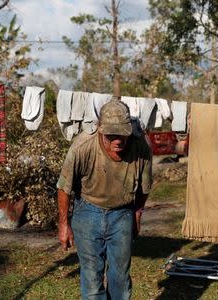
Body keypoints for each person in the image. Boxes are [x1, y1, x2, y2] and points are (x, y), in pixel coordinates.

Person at [57, 98, 152, 299]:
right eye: (111, 135)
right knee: (92, 280)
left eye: (122, 135)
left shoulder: (140, 146)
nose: (117, 140)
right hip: (88, 212)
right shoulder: (82, 146)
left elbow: (144, 188)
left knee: (120, 279)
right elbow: (64, 187)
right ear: (100, 129)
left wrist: (137, 214)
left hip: (122, 214)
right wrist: (64, 225)